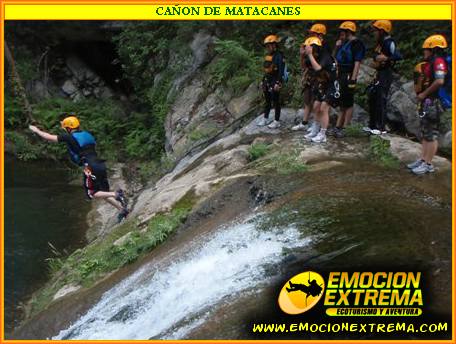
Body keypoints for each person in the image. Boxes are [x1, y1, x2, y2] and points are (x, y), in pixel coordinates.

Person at [29, 115, 130, 222]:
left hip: (89, 166)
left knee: (92, 193)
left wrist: (36, 130)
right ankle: (122, 209)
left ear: (68, 128)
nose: (65, 130)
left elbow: (48, 137)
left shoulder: (69, 137)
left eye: (65, 128)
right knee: (102, 192)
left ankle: (116, 194)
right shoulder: (87, 135)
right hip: (100, 164)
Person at [407, 34, 449, 175]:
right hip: (428, 102)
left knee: (432, 134)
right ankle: (423, 159)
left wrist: (424, 95)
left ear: (433, 49)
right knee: (425, 133)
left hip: (435, 102)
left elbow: (439, 81)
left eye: (426, 49)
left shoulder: (439, 62)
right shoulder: (432, 62)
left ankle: (429, 164)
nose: (424, 52)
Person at [366, 20, 401, 135]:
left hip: (386, 73)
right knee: (373, 96)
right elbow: (376, 57)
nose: (374, 33)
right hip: (379, 73)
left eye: (376, 30)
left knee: (381, 98)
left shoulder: (389, 42)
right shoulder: (379, 43)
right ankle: (372, 125)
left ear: (382, 31)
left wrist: (384, 58)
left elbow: (396, 56)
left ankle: (381, 127)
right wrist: (377, 58)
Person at [302, 36, 339, 143]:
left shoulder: (325, 56)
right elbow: (305, 67)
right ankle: (314, 131)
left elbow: (318, 68)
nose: (307, 49)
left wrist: (309, 55)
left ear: (315, 47)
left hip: (332, 85)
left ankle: (323, 135)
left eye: (309, 47)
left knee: (323, 108)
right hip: (322, 85)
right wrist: (303, 55)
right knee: (316, 107)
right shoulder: (314, 56)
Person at [293, 23, 329, 132]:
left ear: (319, 34)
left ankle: (316, 124)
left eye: (313, 33)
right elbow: (304, 65)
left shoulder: (324, 47)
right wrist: (302, 55)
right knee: (307, 100)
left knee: (316, 102)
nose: (311, 35)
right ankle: (304, 123)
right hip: (309, 76)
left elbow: (322, 65)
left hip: (320, 77)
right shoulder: (309, 44)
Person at [333, 21, 365, 138]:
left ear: (348, 32)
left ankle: (346, 128)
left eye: (343, 32)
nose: (341, 34)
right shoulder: (344, 43)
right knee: (342, 101)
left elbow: (357, 62)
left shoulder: (356, 44)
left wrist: (353, 79)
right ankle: (338, 126)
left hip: (349, 74)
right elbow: (335, 58)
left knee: (349, 102)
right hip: (341, 74)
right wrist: (337, 47)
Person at [258, 34, 285, 129]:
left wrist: (278, 83)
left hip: (275, 79)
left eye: (269, 46)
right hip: (268, 79)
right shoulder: (268, 56)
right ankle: (265, 118)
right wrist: (263, 81)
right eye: (266, 46)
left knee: (276, 101)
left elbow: (281, 71)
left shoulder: (279, 56)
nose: (267, 48)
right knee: (267, 100)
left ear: (274, 45)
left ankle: (276, 121)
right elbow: (266, 70)